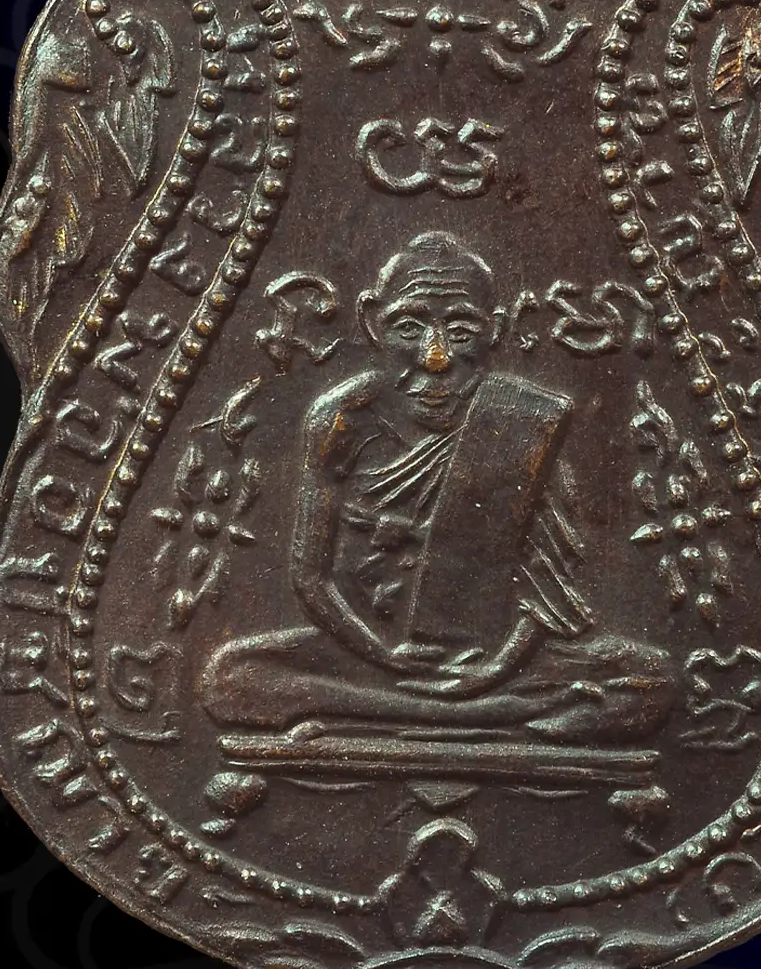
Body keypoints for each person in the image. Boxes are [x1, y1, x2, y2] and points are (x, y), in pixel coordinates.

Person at [200, 232, 676, 743]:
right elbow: (310, 577)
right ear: (372, 323)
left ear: (496, 330)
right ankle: (490, 719)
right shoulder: (342, 418)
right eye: (408, 327)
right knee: (232, 677)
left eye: (462, 330)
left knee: (651, 680)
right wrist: (384, 655)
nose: (435, 357)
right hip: (367, 652)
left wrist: (490, 673)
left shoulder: (522, 419)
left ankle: (401, 715)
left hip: (503, 658)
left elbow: (546, 593)